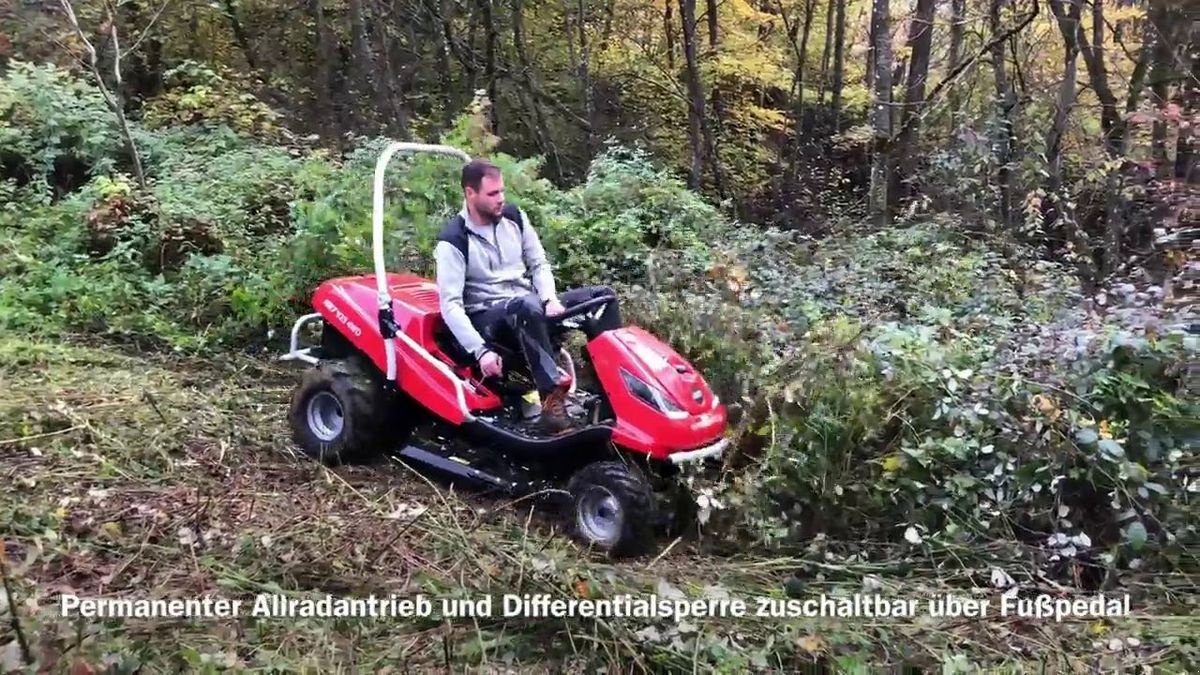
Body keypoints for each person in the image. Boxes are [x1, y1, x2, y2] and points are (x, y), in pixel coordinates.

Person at [434, 159, 622, 433]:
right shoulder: (453, 241)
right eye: (492, 194)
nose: (501, 199)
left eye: (501, 192)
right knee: (525, 305)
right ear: (470, 194)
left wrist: (549, 298)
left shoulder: (514, 217)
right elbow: (450, 306)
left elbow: (539, 264)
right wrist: (481, 351)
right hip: (487, 319)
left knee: (602, 299)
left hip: (529, 307)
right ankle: (551, 403)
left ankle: (612, 390)